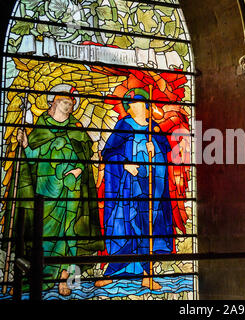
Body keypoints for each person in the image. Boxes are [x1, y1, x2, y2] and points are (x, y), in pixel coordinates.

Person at [8, 84, 104, 296]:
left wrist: (79, 169)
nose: (68, 106)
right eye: (64, 102)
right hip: (46, 192)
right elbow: (32, 158)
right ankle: (43, 278)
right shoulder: (41, 127)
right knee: (46, 235)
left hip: (72, 190)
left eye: (71, 103)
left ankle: (68, 279)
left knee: (70, 233)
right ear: (53, 102)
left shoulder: (77, 129)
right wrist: (24, 144)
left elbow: (85, 156)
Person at [98, 87, 173, 289]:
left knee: (148, 227)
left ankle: (147, 275)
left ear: (145, 105)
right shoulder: (123, 125)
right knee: (126, 226)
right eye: (130, 105)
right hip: (128, 188)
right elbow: (108, 153)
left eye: (136, 103)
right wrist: (124, 164)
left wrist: (154, 150)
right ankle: (112, 272)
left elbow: (164, 157)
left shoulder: (154, 129)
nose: (133, 107)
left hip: (152, 190)